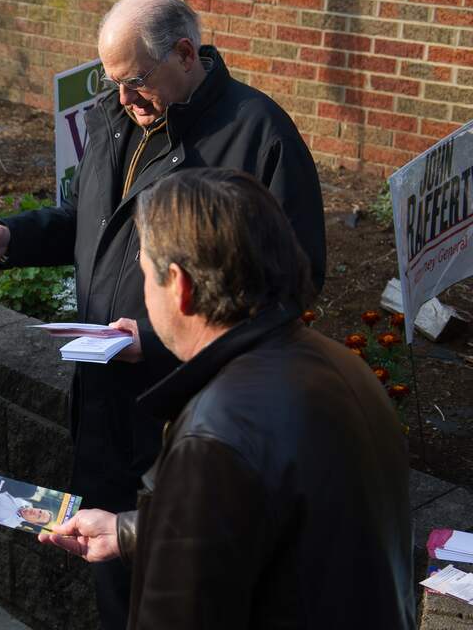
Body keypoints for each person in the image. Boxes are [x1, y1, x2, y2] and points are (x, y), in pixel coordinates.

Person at [0, 0, 326, 629]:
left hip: (188, 413)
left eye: (135, 83)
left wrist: (158, 344)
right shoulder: (116, 117)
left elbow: (291, 287)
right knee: (113, 572)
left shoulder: (259, 134)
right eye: (115, 84)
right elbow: (92, 221)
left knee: (179, 590)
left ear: (186, 54)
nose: (125, 100)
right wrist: (15, 237)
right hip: (104, 398)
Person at [42, 168, 414, 629]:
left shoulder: (214, 433)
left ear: (178, 285)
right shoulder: (339, 365)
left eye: (144, 273)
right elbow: (277, 526)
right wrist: (130, 531)